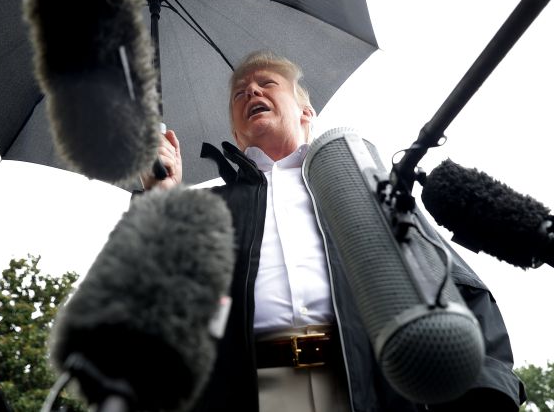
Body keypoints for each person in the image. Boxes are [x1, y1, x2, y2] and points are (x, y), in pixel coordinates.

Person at [141, 51, 526, 412]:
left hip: (371, 385)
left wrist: (485, 389)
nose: (252, 92)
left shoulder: (362, 184)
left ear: (306, 111)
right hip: (252, 390)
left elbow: (448, 280)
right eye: (240, 93)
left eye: (266, 83)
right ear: (237, 133)